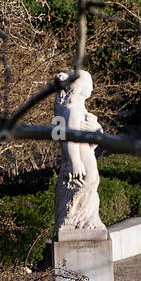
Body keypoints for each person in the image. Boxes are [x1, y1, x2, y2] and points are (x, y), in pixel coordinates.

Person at [53, 69, 106, 240]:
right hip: (80, 160)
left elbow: (58, 134)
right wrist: (75, 162)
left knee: (87, 190)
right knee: (83, 188)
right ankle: (77, 223)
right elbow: (66, 138)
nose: (92, 87)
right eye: (89, 82)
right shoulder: (72, 109)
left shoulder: (69, 108)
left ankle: (85, 222)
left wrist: (97, 131)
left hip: (83, 156)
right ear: (81, 85)